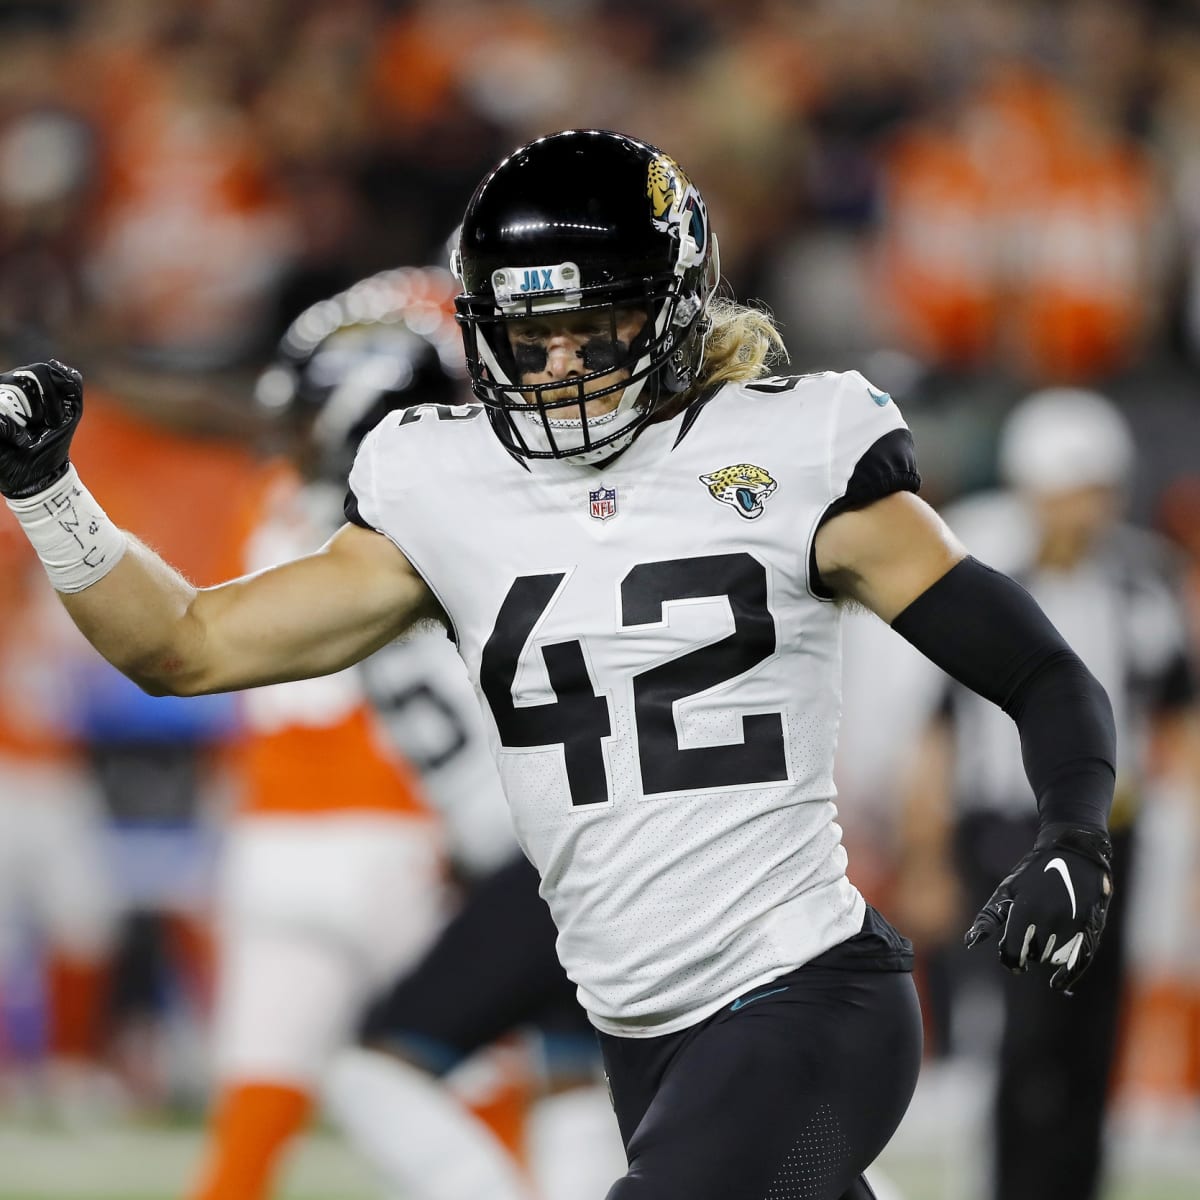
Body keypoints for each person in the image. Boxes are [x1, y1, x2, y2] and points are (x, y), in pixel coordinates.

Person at [0, 129, 1118, 1200]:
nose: (562, 364)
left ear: (673, 310)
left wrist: (1073, 831)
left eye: (598, 326)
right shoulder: (443, 486)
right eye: (530, 337)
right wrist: (52, 495)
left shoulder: (790, 454)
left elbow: (1038, 667)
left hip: (804, 995)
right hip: (637, 1029)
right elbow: (183, 647)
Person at [895, 387, 1199, 1200]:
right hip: (1008, 831)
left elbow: (1176, 717)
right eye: (1070, 489)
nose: (1084, 509)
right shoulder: (995, 588)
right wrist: (924, 852)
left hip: (1114, 832)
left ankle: (1076, 1186)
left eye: (1096, 489)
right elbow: (940, 730)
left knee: (1094, 1032)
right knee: (1023, 1034)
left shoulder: (1142, 588)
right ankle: (1013, 1187)